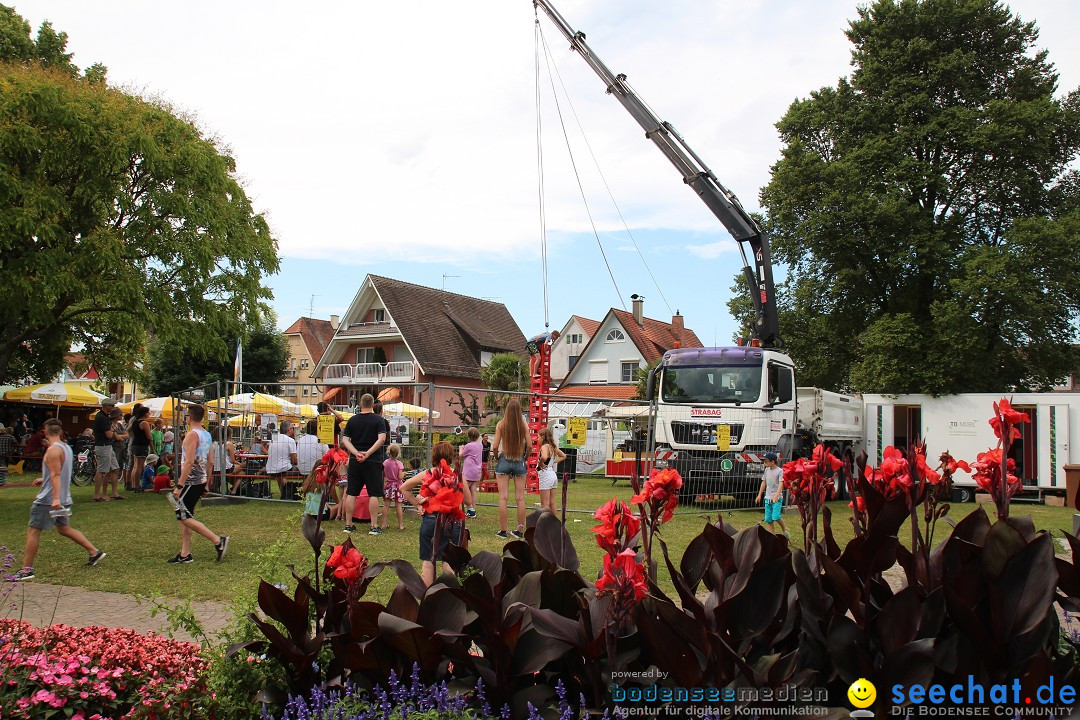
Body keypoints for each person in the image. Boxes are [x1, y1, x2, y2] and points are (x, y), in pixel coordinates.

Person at [12, 419, 106, 581]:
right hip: (63, 497)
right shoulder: (67, 448)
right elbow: (59, 472)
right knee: (63, 529)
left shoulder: (53, 451)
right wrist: (45, 479)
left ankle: (26, 570)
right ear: (61, 432)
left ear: (45, 432)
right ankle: (94, 552)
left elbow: (56, 474)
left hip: (49, 500)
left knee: (33, 531)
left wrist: (55, 499)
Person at [399, 441, 472, 586]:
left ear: (433, 455)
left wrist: (417, 504)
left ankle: (428, 598)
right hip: (452, 522)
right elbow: (468, 501)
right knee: (449, 563)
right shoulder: (456, 475)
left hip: (430, 521)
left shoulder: (426, 474)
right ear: (450, 456)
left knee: (428, 562)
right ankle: (448, 597)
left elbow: (404, 488)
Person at [168, 405, 228, 564]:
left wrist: (179, 485)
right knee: (187, 515)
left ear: (188, 417)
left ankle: (217, 540)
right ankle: (185, 553)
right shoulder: (206, 435)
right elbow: (210, 462)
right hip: (200, 480)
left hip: (190, 481)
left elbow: (188, 461)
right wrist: (207, 483)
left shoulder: (191, 435)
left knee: (184, 515)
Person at [340, 393, 387, 535]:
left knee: (352, 492)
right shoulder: (379, 420)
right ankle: (373, 526)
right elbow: (382, 439)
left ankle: (348, 524)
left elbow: (345, 440)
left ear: (360, 404)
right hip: (373, 459)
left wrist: (356, 453)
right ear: (373, 405)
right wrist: (368, 453)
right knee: (374, 493)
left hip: (355, 460)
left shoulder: (352, 420)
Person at [491, 397, 530, 539]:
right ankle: (520, 530)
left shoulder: (501, 424)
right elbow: (530, 445)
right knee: (520, 498)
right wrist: (525, 458)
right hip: (519, 460)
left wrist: (497, 457)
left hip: (504, 459)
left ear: (506, 410)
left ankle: (503, 531)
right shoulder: (523, 424)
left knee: (503, 497)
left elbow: (495, 446)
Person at [754, 452, 789, 538]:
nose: (764, 463)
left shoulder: (780, 471)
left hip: (776, 498)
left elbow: (781, 484)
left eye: (766, 461)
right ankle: (772, 537)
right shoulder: (766, 470)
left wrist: (777, 495)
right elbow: (764, 482)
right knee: (769, 519)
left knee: (776, 516)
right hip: (768, 498)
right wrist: (759, 495)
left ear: (772, 462)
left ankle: (785, 529)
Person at [91, 399, 117, 502]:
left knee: (115, 468)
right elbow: (109, 435)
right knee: (101, 470)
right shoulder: (102, 417)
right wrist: (113, 429)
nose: (113, 408)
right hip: (103, 445)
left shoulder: (105, 417)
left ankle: (114, 493)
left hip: (107, 446)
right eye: (112, 406)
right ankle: (97, 495)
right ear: (107, 406)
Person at [266, 420, 299, 499]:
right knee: (304, 469)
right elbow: (294, 460)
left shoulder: (274, 439)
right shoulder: (290, 441)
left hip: (271, 468)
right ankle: (297, 493)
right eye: (292, 428)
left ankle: (284, 493)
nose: (293, 430)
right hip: (282, 469)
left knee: (281, 472)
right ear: (289, 430)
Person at [537, 427, 566, 516]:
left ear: (542, 437)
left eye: (538, 437)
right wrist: (553, 461)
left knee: (545, 504)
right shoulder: (553, 447)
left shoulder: (544, 447)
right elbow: (563, 456)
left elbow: (544, 457)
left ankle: (546, 524)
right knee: (552, 502)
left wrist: (540, 462)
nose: (538, 439)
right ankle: (555, 524)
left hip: (545, 475)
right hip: (552, 474)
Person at [128, 406, 153, 493]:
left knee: (135, 466)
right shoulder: (144, 423)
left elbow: (128, 429)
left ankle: (134, 485)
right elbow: (149, 436)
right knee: (139, 466)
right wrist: (152, 447)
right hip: (142, 445)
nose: (149, 414)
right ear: (145, 413)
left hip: (135, 444)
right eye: (148, 412)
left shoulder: (135, 422)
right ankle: (137, 485)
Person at [459, 428, 483, 518]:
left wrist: (461, 448)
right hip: (477, 471)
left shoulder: (468, 446)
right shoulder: (480, 445)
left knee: (464, 490)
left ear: (468, 436)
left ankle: (466, 508)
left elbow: (461, 455)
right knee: (473, 490)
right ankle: (472, 510)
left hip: (468, 471)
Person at [382, 444, 405, 531]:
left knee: (386, 505)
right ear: (398, 453)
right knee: (398, 505)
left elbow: (384, 473)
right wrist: (403, 473)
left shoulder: (385, 463)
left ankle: (384, 524)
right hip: (397, 486)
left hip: (388, 485)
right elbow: (400, 477)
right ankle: (400, 525)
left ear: (389, 452)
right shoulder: (399, 463)